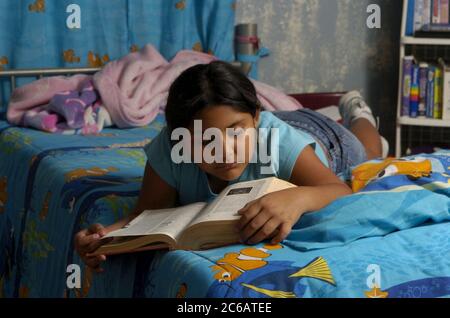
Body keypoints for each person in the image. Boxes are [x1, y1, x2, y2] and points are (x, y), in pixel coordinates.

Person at [74, 61, 388, 272]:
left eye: (235, 132)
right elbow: (145, 216)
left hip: (325, 139)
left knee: (370, 155)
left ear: (255, 116)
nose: (225, 152)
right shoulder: (171, 146)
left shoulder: (276, 140)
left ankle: (356, 111)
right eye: (205, 141)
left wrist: (298, 197)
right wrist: (104, 237)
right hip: (273, 124)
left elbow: (340, 191)